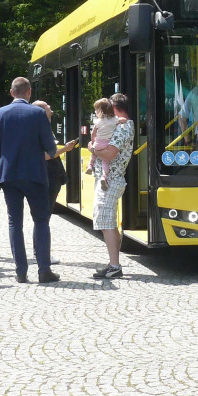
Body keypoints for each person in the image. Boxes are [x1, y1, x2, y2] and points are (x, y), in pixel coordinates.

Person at [0, 77, 60, 284]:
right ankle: (44, 270)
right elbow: (50, 147)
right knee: (41, 220)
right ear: (29, 93)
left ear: (12, 93)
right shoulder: (38, 113)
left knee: (15, 223)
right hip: (35, 174)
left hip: (9, 175)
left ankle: (20, 271)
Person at [88, 92, 135, 280]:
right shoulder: (119, 124)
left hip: (111, 180)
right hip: (108, 178)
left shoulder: (124, 126)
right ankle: (114, 264)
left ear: (114, 108)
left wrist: (92, 148)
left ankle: (114, 266)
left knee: (106, 222)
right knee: (109, 222)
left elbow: (109, 154)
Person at [32, 100, 78, 265]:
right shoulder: (39, 129)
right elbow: (44, 155)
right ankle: (42, 253)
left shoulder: (44, 127)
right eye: (48, 106)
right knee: (43, 217)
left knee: (44, 217)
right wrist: (65, 149)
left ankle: (41, 251)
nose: (51, 108)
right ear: (42, 112)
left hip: (52, 175)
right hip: (48, 176)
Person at [85, 98, 123, 190]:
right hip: (107, 144)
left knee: (94, 152)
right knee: (105, 161)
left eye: (96, 110)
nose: (95, 111)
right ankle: (104, 176)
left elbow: (93, 133)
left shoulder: (97, 122)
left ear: (101, 111)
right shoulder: (114, 120)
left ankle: (90, 165)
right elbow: (122, 120)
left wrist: (93, 142)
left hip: (98, 143)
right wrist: (123, 120)